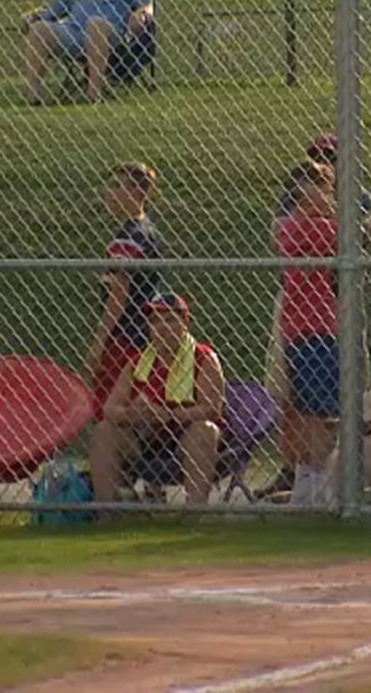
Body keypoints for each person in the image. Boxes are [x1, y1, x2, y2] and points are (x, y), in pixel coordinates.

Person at [89, 293, 225, 505]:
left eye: (169, 319)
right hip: (146, 437)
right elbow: (110, 409)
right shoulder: (138, 362)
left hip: (184, 435)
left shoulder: (203, 357)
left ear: (184, 323)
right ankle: (107, 512)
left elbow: (212, 409)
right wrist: (132, 414)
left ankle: (196, 512)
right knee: (103, 431)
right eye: (155, 321)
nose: (161, 327)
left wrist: (168, 415)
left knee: (205, 429)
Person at [276, 160, 340, 506]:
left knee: (316, 411)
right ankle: (316, 486)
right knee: (318, 412)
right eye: (316, 188)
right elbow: (348, 233)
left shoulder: (317, 225)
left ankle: (309, 485)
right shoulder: (296, 226)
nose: (324, 195)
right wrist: (333, 211)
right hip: (309, 329)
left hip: (320, 326)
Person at [88, 162, 167, 423]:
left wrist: (100, 340)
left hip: (124, 335)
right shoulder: (148, 230)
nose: (111, 193)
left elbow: (119, 294)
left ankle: (113, 459)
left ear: (139, 194)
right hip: (143, 332)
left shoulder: (130, 236)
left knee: (111, 408)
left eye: (119, 187)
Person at [22, 0, 154, 105]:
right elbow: (55, 9)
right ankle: (33, 95)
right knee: (39, 29)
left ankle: (93, 94)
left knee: (95, 24)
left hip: (112, 30)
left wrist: (141, 16)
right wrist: (35, 17)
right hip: (74, 32)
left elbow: (146, 6)